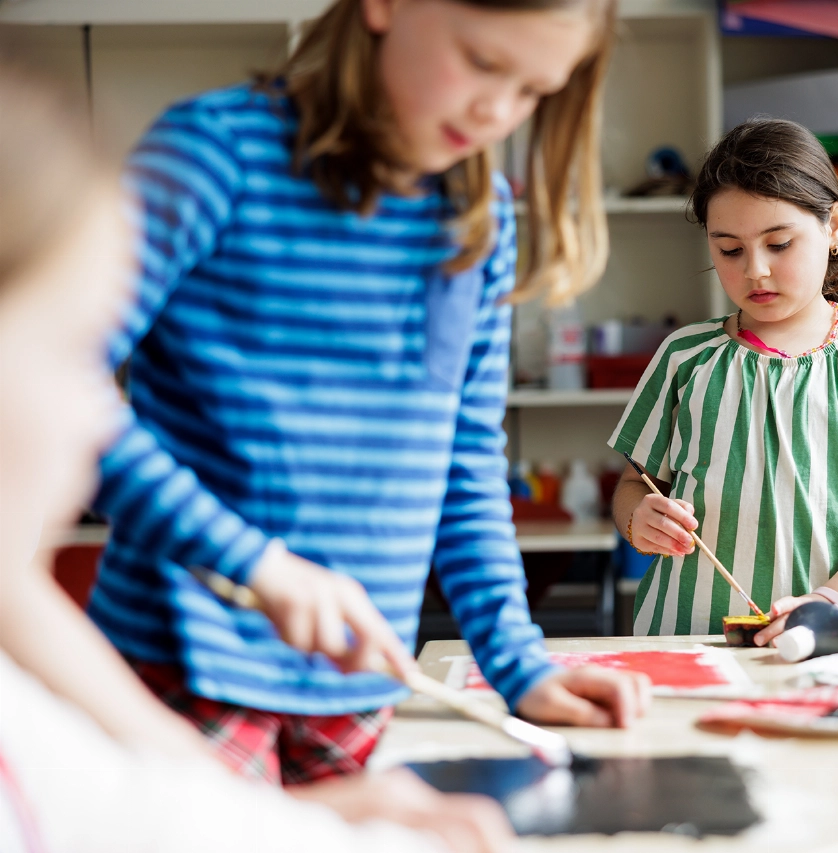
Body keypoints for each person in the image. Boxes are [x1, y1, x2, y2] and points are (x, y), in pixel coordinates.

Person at [85, 0, 650, 786]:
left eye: (534, 91)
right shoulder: (212, 154)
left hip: (358, 687)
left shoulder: (478, 222)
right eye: (485, 62)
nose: (498, 111)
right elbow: (47, 388)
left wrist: (521, 666)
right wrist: (255, 563)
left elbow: (464, 461)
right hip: (186, 664)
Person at [0, 65, 512, 853]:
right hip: (193, 657)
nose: (99, 413)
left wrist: (291, 820)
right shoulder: (218, 154)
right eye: (73, 351)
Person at [609, 119, 838, 642]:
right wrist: (638, 519)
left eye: (780, 243)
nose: (756, 271)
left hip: (821, 637)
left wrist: (828, 603)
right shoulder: (684, 357)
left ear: (833, 227)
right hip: (683, 639)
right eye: (730, 250)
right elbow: (634, 486)